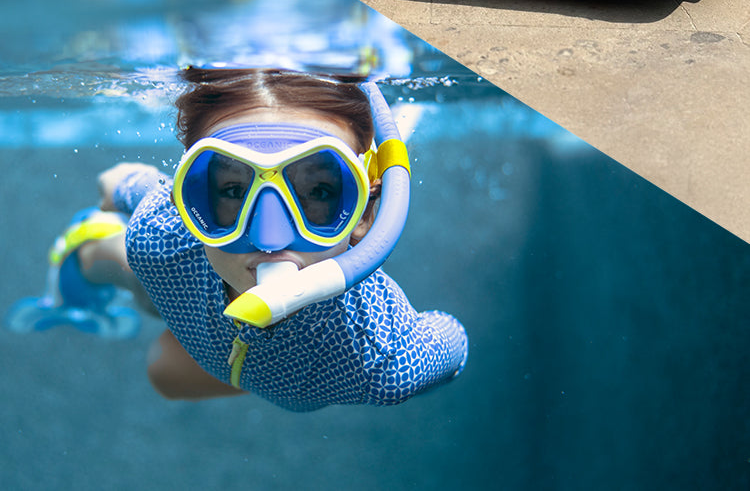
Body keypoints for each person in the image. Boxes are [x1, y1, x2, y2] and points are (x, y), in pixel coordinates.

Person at [39, 68, 468, 411]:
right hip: (187, 287)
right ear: (189, 199)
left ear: (367, 213)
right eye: (232, 190)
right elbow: (138, 189)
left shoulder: (379, 355)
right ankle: (87, 243)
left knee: (163, 373)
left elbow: (454, 341)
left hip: (281, 376)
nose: (269, 237)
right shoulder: (160, 238)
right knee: (127, 265)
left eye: (318, 192)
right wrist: (117, 186)